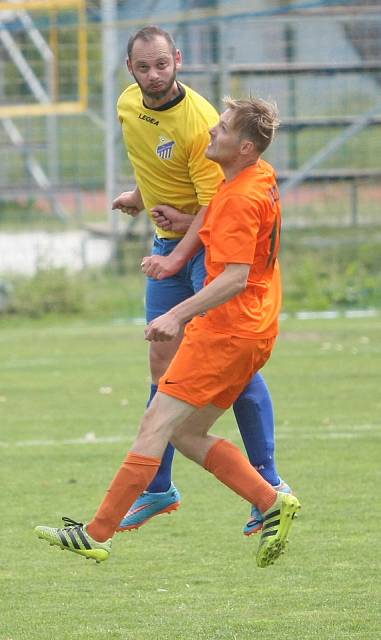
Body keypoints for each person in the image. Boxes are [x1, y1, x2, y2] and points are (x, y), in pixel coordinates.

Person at [34, 96, 301, 568]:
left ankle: (97, 533)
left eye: (221, 128)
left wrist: (177, 315)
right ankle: (270, 500)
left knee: (156, 423)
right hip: (255, 327)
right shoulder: (256, 176)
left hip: (225, 331)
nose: (211, 133)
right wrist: (185, 223)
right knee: (186, 432)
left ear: (243, 147)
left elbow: (235, 275)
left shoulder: (240, 195)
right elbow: (234, 224)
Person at [111, 26, 290, 536]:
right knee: (160, 366)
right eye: (144, 67)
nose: (153, 75)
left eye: (162, 65)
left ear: (178, 61)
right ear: (130, 69)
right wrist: (140, 196)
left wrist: (180, 244)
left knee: (231, 367)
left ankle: (270, 484)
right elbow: (159, 166)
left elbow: (219, 201)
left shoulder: (202, 122)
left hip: (202, 250)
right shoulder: (129, 105)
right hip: (169, 243)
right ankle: (158, 489)